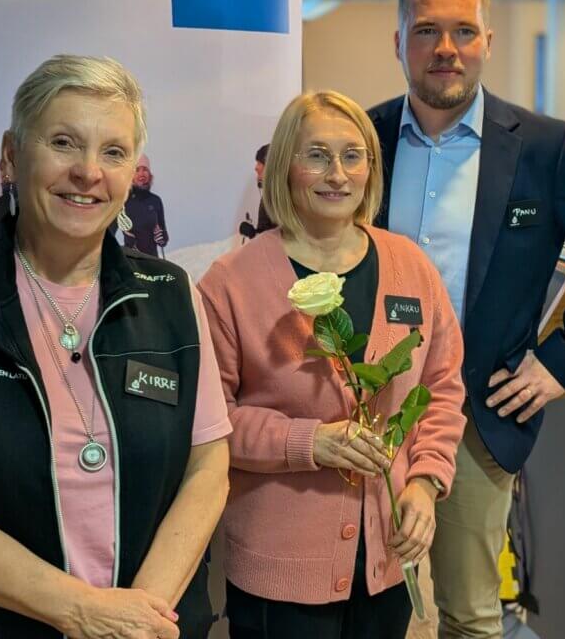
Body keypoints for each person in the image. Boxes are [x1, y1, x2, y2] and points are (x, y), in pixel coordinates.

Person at [0, 55, 231, 638]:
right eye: (63, 143)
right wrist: (82, 613)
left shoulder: (172, 293)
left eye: (113, 152)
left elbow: (208, 468)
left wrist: (136, 618)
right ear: (11, 156)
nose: (88, 171)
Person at [367, 0, 565, 639]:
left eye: (464, 31)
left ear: (487, 42)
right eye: (427, 30)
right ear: (399, 40)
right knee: (366, 605)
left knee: (469, 615)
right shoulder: (364, 140)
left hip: (474, 414)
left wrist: (560, 363)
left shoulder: (544, 148)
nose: (446, 48)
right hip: (366, 410)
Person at [198, 90, 467, 639]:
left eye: (352, 156)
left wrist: (425, 482)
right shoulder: (230, 283)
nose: (337, 174)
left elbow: (441, 388)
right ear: (284, 166)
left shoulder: (411, 266)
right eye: (317, 155)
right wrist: (310, 441)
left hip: (388, 557)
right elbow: (211, 422)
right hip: (281, 573)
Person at [119, 154, 169, 256]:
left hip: (152, 259)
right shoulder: (122, 201)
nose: (141, 174)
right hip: (131, 259)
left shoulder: (155, 201)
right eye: (137, 170)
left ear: (149, 174)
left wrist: (162, 237)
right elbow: (107, 232)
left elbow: (163, 237)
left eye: (145, 169)